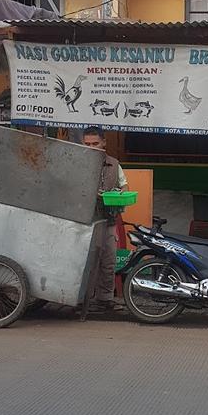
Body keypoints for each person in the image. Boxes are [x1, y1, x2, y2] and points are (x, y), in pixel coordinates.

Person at [82, 127, 128, 312]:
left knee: (108, 260)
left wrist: (113, 194)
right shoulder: (78, 162)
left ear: (104, 142)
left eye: (95, 143)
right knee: (87, 263)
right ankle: (83, 300)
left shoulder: (114, 164)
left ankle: (105, 299)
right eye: (87, 144)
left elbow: (124, 188)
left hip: (108, 220)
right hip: (85, 222)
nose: (91, 147)